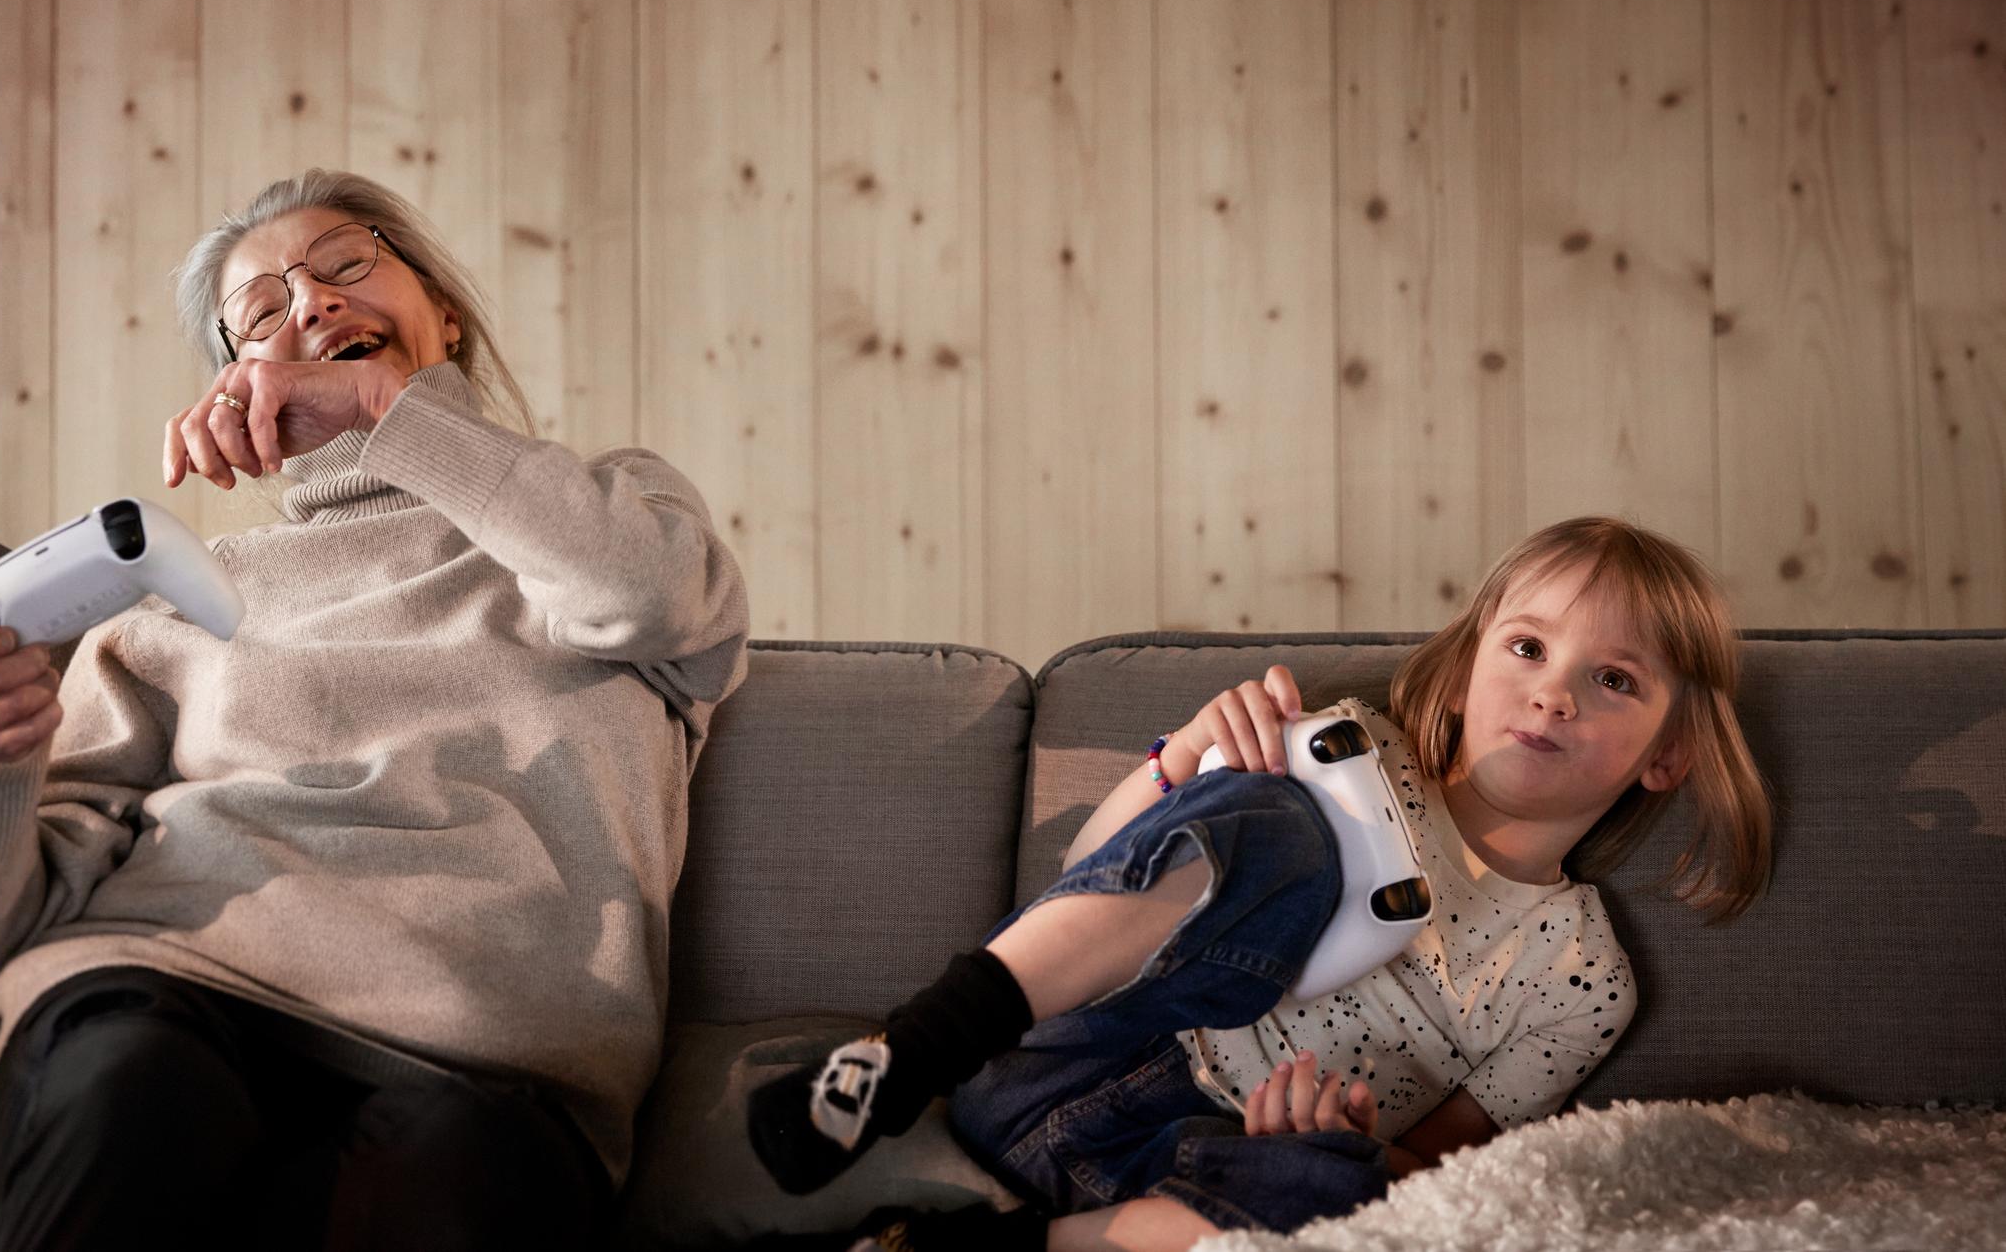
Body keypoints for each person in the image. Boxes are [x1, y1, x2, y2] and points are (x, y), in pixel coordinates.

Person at [0, 169, 750, 1251]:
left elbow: (648, 594)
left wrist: (394, 415)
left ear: (443, 309)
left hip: (482, 1059)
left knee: (452, 1183)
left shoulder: (608, 512)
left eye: (347, 263)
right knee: (132, 1094)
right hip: (158, 990)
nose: (311, 302)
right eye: (263, 312)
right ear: (239, 386)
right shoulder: (180, 597)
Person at [749, 517, 1774, 1251]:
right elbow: (1087, 875)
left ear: (1667, 754)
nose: (1553, 690)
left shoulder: (1578, 975)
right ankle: (903, 1049)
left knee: (1332, 1191)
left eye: (1614, 678)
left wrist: (1338, 1134)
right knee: (1282, 821)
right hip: (1061, 1041)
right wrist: (1189, 752)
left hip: (1185, 1162)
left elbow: (1447, 1171)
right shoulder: (1352, 750)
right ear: (1466, 670)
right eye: (1527, 645)